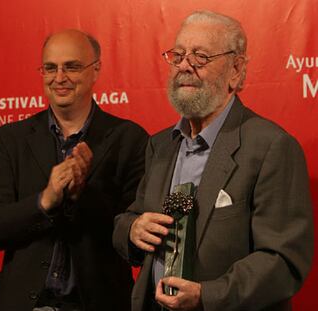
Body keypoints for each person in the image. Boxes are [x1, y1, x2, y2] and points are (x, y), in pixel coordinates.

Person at [113, 10, 313, 311]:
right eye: (178, 55)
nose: (184, 66)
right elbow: (128, 219)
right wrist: (133, 229)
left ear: (236, 69)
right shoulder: (159, 145)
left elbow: (283, 261)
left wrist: (207, 295)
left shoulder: (271, 147)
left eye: (200, 57)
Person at [0, 29, 149, 311]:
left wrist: (83, 194)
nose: (59, 78)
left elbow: (133, 241)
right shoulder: (12, 139)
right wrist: (45, 200)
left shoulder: (129, 139)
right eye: (50, 68)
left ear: (96, 70)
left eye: (72, 67)